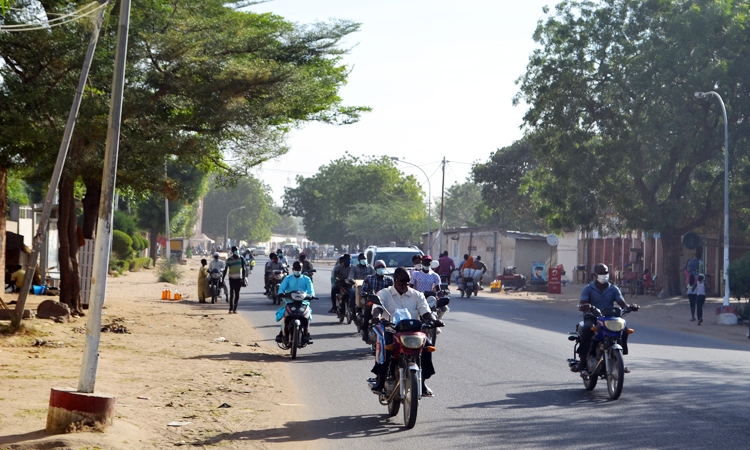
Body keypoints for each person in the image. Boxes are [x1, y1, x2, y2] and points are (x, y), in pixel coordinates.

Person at [370, 267, 444, 396]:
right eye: (401, 281)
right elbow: (378, 307)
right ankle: (380, 381)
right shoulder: (384, 294)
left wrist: (434, 321)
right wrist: (377, 317)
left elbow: (426, 312)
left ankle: (422, 382)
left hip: (413, 332)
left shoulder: (417, 295)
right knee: (385, 346)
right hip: (391, 330)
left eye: (407, 282)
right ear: (395, 280)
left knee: (428, 345)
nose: (404, 285)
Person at [573, 263, 638, 372]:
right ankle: (583, 361)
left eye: (606, 272)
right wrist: (586, 306)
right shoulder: (588, 289)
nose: (604, 275)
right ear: (595, 275)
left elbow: (622, 304)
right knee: (588, 329)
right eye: (601, 273)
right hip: (593, 317)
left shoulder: (614, 289)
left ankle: (619, 359)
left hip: (609, 318)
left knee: (625, 330)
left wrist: (630, 307)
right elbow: (582, 303)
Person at [275, 261, 316, 343]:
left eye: (299, 268)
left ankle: (306, 333)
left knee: (307, 316)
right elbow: (282, 288)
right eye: (296, 268)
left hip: (303, 303)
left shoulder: (306, 279)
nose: (297, 270)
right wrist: (281, 293)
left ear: (301, 269)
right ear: (293, 269)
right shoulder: (287, 278)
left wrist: (311, 295)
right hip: (290, 302)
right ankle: (281, 333)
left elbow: (311, 290)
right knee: (285, 316)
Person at [361, 260, 395, 342]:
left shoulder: (389, 280)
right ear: (375, 269)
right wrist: (366, 294)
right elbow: (363, 290)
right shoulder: (369, 278)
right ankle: (365, 331)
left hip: (386, 302)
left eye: (382, 267)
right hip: (373, 301)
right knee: (368, 311)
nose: (381, 269)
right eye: (379, 267)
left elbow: (394, 292)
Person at [222, 246, 247, 314]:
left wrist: (244, 278)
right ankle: (231, 308)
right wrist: (222, 279)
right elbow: (225, 270)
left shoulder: (241, 259)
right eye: (235, 250)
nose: (236, 251)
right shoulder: (229, 260)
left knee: (237, 294)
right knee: (231, 293)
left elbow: (244, 269)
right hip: (231, 278)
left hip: (239, 278)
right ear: (232, 251)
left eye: (237, 250)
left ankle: (235, 308)